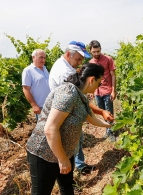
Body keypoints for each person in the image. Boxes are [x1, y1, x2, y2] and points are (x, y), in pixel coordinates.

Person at [26, 63, 111, 195]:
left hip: (65, 152)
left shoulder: (81, 96)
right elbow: (50, 128)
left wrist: (110, 126)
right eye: (99, 82)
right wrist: (62, 159)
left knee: (67, 187)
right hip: (43, 152)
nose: (98, 87)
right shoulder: (68, 92)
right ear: (91, 80)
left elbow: (91, 118)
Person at [49, 41, 114, 174]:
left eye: (82, 60)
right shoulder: (65, 76)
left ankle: (76, 167)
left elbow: (86, 113)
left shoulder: (68, 66)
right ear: (68, 54)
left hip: (67, 115)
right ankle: (73, 167)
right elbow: (50, 129)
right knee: (70, 147)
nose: (79, 63)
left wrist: (108, 123)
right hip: (62, 119)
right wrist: (63, 160)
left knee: (75, 140)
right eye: (78, 59)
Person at [89, 40, 117, 142]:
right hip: (97, 92)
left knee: (109, 112)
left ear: (101, 49)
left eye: (98, 51)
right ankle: (108, 130)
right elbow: (91, 77)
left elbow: (113, 75)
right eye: (94, 52)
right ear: (90, 51)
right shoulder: (91, 63)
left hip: (107, 90)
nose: (96, 54)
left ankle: (111, 132)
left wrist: (113, 90)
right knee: (102, 112)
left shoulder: (108, 59)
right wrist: (92, 91)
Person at [22, 49, 50, 120]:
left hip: (51, 105)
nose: (43, 60)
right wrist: (34, 105)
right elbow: (26, 89)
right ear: (33, 57)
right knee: (43, 129)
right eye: (40, 57)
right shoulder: (28, 71)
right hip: (41, 107)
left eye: (44, 58)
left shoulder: (45, 68)